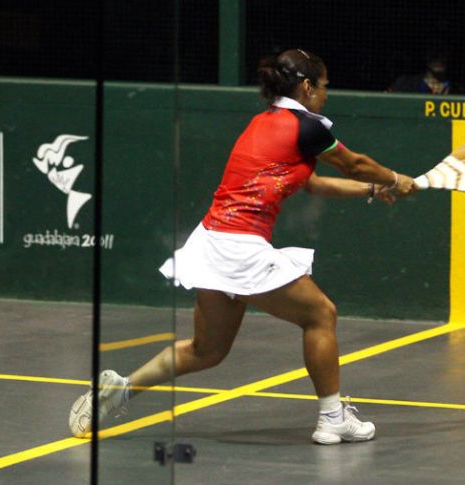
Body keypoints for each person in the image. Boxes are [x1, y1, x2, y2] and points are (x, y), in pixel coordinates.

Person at [69, 48, 417, 445]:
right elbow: (353, 163)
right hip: (239, 246)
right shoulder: (307, 127)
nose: (325, 94)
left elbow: (314, 183)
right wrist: (394, 177)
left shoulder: (266, 123)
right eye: (323, 87)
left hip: (213, 240)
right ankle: (333, 417)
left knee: (207, 351)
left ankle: (123, 388)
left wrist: (373, 189)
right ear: (306, 87)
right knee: (321, 315)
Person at [387, 51, 463, 95]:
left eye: (442, 52)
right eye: (434, 52)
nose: (438, 57)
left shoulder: (459, 90)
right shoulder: (403, 84)